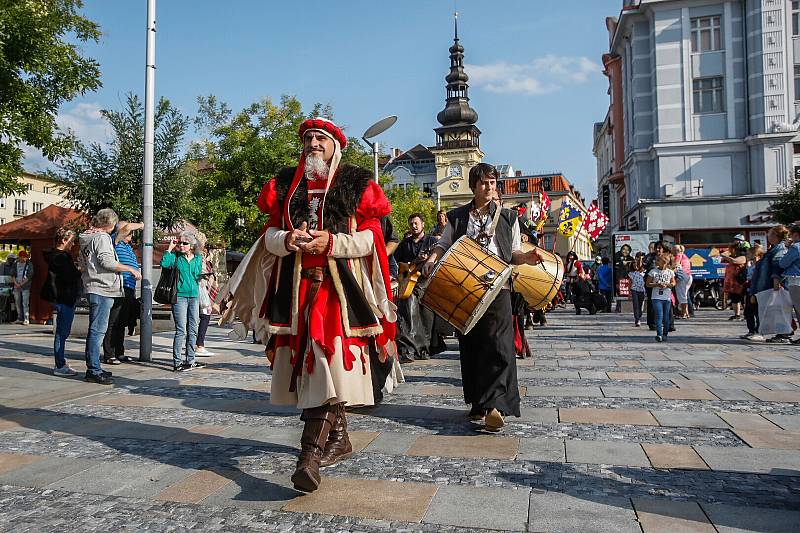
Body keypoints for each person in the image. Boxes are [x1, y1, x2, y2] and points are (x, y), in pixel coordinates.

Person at [218, 118, 398, 493]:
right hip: (295, 292)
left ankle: (309, 457)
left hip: (341, 293)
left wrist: (331, 243)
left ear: (335, 145)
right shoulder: (287, 185)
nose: (313, 144)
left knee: (326, 365)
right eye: (308, 139)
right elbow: (267, 236)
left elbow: (371, 239)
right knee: (319, 373)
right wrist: (288, 239)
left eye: (321, 138)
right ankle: (339, 437)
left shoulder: (356, 183)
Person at [421, 163, 542, 433]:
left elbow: (513, 253)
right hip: (465, 289)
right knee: (472, 347)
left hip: (499, 288)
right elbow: (443, 244)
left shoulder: (509, 217)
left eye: (493, 182)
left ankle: (496, 407)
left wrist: (528, 258)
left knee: (500, 346)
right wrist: (431, 259)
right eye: (485, 183)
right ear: (474, 186)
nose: (490, 187)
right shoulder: (458, 217)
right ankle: (479, 401)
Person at [79, 208, 142, 385]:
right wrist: (130, 269)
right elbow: (107, 261)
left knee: (97, 329)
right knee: (98, 330)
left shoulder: (86, 237)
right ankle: (93, 370)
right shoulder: (101, 237)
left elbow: (82, 263)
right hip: (103, 288)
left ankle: (95, 366)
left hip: (93, 285)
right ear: (110, 223)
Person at [395, 213, 439, 362]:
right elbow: (399, 265)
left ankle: (424, 350)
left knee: (427, 319)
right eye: (411, 224)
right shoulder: (404, 244)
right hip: (410, 285)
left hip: (429, 284)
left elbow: (440, 256)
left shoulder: (432, 241)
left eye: (416, 223)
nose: (413, 226)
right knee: (410, 316)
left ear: (423, 224)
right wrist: (415, 261)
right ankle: (409, 349)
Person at [161, 231, 206, 371]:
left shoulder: (198, 258)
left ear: (192, 245)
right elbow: (164, 264)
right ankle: (177, 362)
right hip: (179, 296)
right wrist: (169, 248)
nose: (181, 245)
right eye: (180, 243)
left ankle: (190, 360)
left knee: (193, 329)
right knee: (181, 329)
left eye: (184, 243)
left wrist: (204, 277)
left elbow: (197, 275)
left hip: (194, 295)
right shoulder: (175, 257)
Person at [42, 228, 82, 376]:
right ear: (63, 240)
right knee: (62, 332)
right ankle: (60, 364)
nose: (72, 244)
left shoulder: (56, 256)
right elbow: (69, 276)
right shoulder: (61, 257)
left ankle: (61, 361)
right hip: (64, 297)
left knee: (62, 332)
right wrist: (80, 270)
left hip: (62, 297)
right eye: (71, 241)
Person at [103, 222, 143, 364]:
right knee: (113, 321)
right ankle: (109, 353)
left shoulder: (127, 247)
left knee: (122, 322)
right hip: (119, 286)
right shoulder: (116, 241)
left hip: (129, 287)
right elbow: (124, 227)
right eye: (130, 233)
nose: (131, 235)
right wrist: (142, 224)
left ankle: (119, 352)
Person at [749, 225, 789, 343]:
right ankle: (780, 333)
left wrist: (776, 286)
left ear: (775, 236)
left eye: (770, 233)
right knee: (773, 310)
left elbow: (777, 269)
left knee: (778, 310)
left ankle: (784, 334)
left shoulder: (780, 249)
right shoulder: (774, 249)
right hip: (766, 286)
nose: (767, 235)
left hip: (770, 286)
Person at [646, 253, 675, 342]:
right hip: (656, 297)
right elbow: (648, 283)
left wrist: (668, 285)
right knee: (659, 316)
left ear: (664, 262)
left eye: (659, 260)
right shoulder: (653, 272)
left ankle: (665, 334)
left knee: (666, 317)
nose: (656, 261)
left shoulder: (670, 272)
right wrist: (657, 284)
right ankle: (659, 334)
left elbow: (673, 283)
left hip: (666, 297)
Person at [195, 243, 218, 357]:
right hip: (201, 289)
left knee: (201, 317)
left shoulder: (201, 256)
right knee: (204, 316)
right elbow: (202, 272)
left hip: (201, 289)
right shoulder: (199, 256)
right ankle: (199, 345)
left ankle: (198, 344)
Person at [780, 225, 800, 344]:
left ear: (796, 234)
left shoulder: (796, 247)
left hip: (796, 280)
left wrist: (788, 247)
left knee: (799, 308)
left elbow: (783, 263)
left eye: (791, 235)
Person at [741, 245, 764, 341]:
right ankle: (751, 330)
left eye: (749, 253)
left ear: (754, 255)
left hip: (756, 290)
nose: (747, 255)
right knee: (748, 312)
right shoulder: (751, 265)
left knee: (757, 312)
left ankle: (759, 331)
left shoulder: (760, 265)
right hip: (748, 290)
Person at [643, 240, 667, 330]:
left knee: (665, 302)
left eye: (659, 248)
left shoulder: (667, 256)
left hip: (664, 282)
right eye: (655, 248)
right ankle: (652, 323)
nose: (657, 250)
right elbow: (644, 266)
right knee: (652, 302)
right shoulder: (649, 257)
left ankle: (666, 322)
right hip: (651, 281)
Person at [12, 250, 33, 324]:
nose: (24, 259)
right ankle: (19, 317)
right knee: (17, 302)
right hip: (16, 285)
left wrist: (20, 284)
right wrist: (16, 284)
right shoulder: (15, 264)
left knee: (25, 302)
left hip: (25, 286)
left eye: (25, 257)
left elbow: (29, 276)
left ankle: (26, 318)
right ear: (19, 257)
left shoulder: (29, 264)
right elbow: (13, 275)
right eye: (22, 257)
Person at [673, 244, 693, 319]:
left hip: (682, 276)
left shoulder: (678, 256)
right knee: (684, 295)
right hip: (688, 276)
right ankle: (687, 313)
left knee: (681, 296)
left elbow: (675, 265)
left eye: (673, 249)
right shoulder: (685, 256)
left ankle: (683, 313)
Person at [628, 258, 646, 327]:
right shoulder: (631, 273)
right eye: (634, 265)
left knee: (641, 305)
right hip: (634, 290)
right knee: (635, 305)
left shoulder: (643, 273)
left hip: (642, 290)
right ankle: (637, 319)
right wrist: (629, 292)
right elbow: (630, 283)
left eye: (637, 265)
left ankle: (639, 315)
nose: (636, 266)